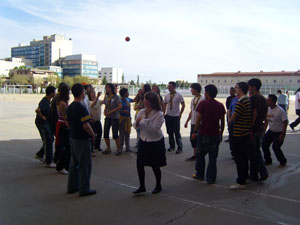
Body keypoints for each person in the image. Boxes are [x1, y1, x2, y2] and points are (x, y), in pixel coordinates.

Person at [66, 83, 96, 197]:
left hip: (73, 137)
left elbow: (67, 123)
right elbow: (86, 125)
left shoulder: (70, 107)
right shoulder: (81, 108)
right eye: (84, 91)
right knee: (85, 165)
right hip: (82, 139)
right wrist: (92, 134)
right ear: (82, 93)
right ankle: (84, 188)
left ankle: (72, 186)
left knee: (74, 163)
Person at [133, 92, 166, 194]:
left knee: (155, 165)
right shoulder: (141, 111)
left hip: (155, 142)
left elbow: (154, 129)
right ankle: (142, 186)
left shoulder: (159, 114)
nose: (143, 101)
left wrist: (146, 119)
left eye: (145, 99)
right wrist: (137, 123)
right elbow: (135, 126)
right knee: (139, 164)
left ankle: (158, 185)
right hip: (143, 140)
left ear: (151, 102)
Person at [192, 85, 225, 184]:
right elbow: (222, 122)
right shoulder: (220, 105)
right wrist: (221, 133)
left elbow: (198, 119)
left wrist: (195, 131)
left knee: (200, 155)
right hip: (215, 134)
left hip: (203, 134)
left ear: (207, 93)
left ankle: (200, 174)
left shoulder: (203, 104)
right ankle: (211, 178)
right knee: (212, 157)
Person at [229, 82, 252, 190]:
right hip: (245, 132)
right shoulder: (247, 100)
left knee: (240, 158)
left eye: (237, 88)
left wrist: (230, 120)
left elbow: (234, 117)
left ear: (241, 89)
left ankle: (241, 181)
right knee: (244, 157)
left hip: (239, 133)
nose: (235, 90)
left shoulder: (241, 102)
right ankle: (245, 177)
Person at [247, 78, 268, 182]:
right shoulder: (263, 98)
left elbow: (253, 114)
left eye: (249, 86)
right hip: (260, 127)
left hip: (254, 129)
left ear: (253, 87)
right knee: (253, 152)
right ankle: (253, 175)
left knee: (254, 152)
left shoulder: (253, 98)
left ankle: (262, 172)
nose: (248, 89)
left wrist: (250, 127)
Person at [262, 94, 288, 166]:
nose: (267, 101)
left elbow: (285, 122)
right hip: (271, 131)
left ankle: (282, 161)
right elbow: (266, 121)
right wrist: (264, 131)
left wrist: (283, 134)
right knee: (264, 144)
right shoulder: (268, 109)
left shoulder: (280, 111)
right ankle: (268, 160)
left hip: (279, 131)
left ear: (273, 102)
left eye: (269, 100)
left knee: (276, 147)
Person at [35, 85, 56, 168]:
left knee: (48, 139)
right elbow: (37, 110)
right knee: (49, 139)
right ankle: (49, 161)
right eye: (54, 92)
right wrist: (42, 116)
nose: (55, 93)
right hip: (42, 123)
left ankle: (40, 154)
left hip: (45, 122)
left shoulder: (48, 101)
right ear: (51, 93)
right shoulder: (44, 102)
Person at [184, 83, 205, 161]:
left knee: (199, 139)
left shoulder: (203, 99)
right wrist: (187, 121)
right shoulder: (193, 100)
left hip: (200, 123)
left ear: (196, 90)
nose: (191, 90)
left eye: (192, 89)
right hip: (193, 122)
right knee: (193, 140)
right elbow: (191, 111)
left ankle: (199, 155)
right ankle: (195, 154)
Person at [163, 81, 185, 154]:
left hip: (176, 116)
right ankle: (172, 146)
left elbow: (183, 105)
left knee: (177, 132)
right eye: (168, 86)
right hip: (168, 116)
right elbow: (164, 105)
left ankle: (180, 147)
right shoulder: (166, 96)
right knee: (170, 132)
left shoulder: (179, 95)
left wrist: (180, 113)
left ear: (174, 87)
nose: (169, 88)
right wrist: (164, 113)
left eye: (170, 86)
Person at [55, 84, 71, 174]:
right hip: (63, 125)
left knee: (65, 146)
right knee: (67, 147)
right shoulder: (62, 103)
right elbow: (65, 117)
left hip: (62, 124)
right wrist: (68, 126)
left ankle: (62, 165)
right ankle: (62, 165)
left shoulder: (61, 101)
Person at [102, 83, 122, 155]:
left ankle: (118, 149)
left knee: (115, 134)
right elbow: (106, 105)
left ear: (112, 88)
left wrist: (111, 111)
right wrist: (105, 111)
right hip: (108, 117)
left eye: (108, 87)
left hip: (114, 117)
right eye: (106, 87)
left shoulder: (116, 97)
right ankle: (108, 148)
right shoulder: (107, 97)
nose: (107, 89)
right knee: (105, 133)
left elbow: (120, 106)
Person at [88, 88, 103, 152]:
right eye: (92, 92)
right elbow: (92, 104)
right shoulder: (89, 101)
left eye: (94, 92)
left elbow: (103, 101)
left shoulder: (98, 100)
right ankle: (92, 148)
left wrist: (107, 95)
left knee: (99, 133)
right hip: (92, 121)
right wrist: (97, 97)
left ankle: (97, 146)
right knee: (93, 134)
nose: (93, 94)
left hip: (98, 120)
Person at [119, 88, 134, 153]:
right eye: (127, 92)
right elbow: (117, 110)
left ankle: (127, 148)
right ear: (124, 93)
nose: (128, 93)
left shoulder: (128, 99)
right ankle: (120, 148)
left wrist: (139, 94)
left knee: (127, 133)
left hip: (128, 119)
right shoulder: (120, 101)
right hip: (122, 119)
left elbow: (134, 100)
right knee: (122, 134)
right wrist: (123, 111)